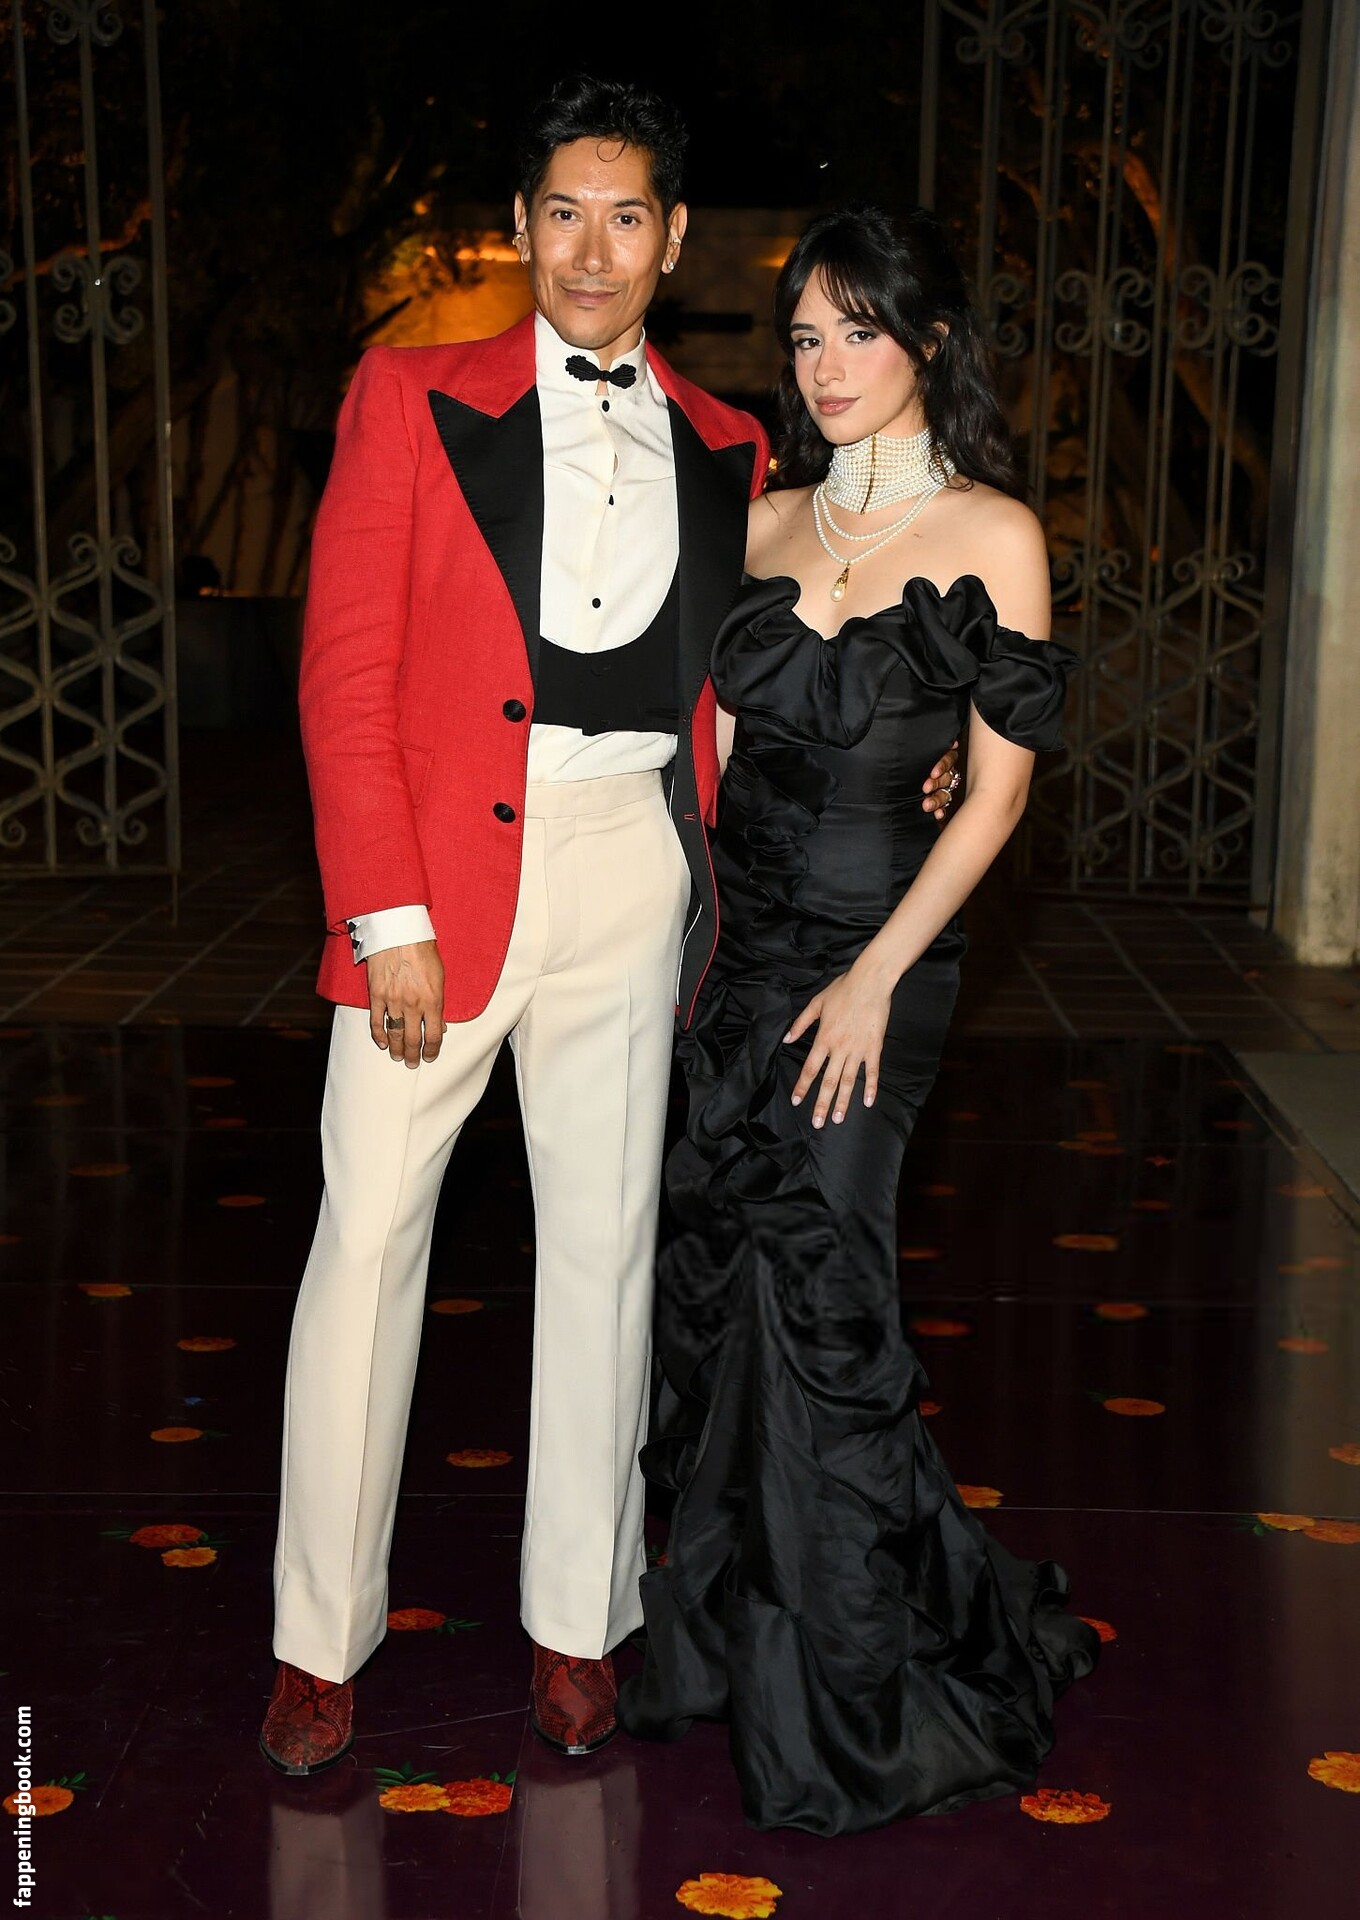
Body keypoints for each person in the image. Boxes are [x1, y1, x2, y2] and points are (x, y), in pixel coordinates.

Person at [258, 75, 965, 1777]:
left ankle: (581, 1622)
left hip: (634, 876)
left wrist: (926, 747)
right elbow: (343, 673)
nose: (593, 248)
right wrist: (386, 911)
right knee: (367, 1251)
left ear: (672, 239)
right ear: (521, 229)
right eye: (563, 213)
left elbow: (817, 627)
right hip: (434, 887)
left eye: (626, 216)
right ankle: (318, 1643)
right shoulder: (409, 396)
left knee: (603, 1260)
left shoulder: (730, 445)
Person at [617, 205, 1100, 1835]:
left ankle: (846, 1695)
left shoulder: (994, 533)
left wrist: (879, 972)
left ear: (929, 341)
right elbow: (709, 756)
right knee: (729, 1299)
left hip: (881, 969)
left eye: (860, 332)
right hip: (745, 967)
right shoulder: (762, 520)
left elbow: (999, 794)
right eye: (806, 337)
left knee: (826, 1300)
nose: (826, 366)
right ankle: (729, 1636)